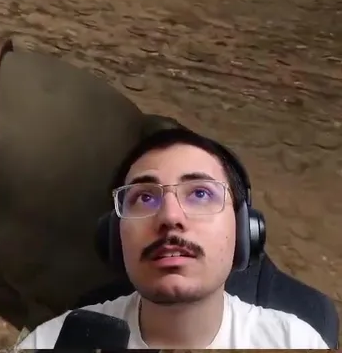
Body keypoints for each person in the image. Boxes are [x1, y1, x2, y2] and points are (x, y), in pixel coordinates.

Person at [17, 127, 329, 349]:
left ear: (243, 229)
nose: (170, 217)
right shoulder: (49, 344)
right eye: (144, 198)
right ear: (115, 237)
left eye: (200, 193)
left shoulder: (294, 341)